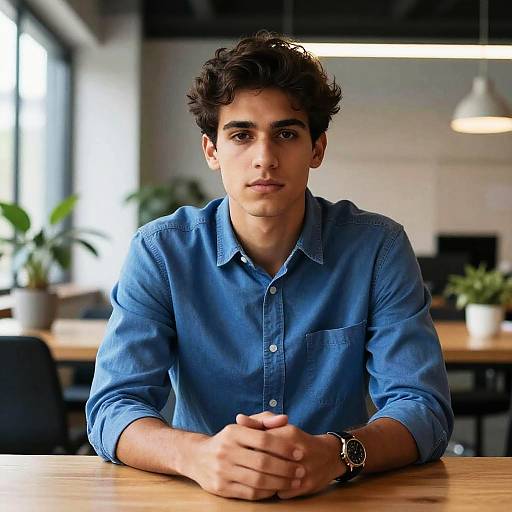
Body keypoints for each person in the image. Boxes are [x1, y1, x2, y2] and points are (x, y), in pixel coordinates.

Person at [86, 31, 453, 501]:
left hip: (337, 498)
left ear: (317, 148)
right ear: (211, 150)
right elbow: (113, 405)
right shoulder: (161, 252)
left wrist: (338, 452)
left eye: (286, 134)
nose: (264, 158)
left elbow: (423, 407)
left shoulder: (377, 248)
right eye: (241, 135)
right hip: (199, 497)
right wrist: (195, 455)